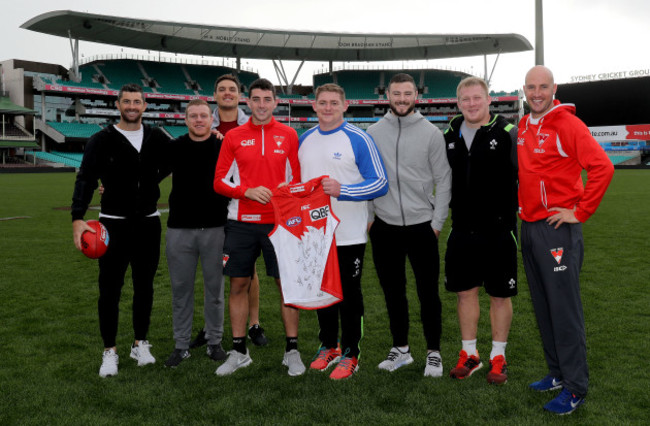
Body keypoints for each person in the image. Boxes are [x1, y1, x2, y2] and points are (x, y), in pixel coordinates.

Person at [519, 65, 614, 415]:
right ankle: (557, 374)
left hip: (558, 228)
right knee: (544, 308)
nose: (537, 93)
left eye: (543, 86)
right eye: (531, 87)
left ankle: (575, 388)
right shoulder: (526, 125)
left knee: (564, 311)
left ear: (553, 87)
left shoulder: (568, 124)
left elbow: (603, 167)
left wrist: (581, 211)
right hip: (529, 227)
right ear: (525, 90)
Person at [71, 83, 168, 377]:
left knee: (145, 287)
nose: (132, 106)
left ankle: (140, 343)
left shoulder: (156, 136)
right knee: (110, 290)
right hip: (113, 223)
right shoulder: (101, 139)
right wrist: (77, 217)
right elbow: (86, 178)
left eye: (137, 101)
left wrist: (150, 181)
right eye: (126, 101)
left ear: (145, 105)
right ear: (118, 105)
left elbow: (176, 158)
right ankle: (109, 351)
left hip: (148, 223)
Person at [213, 78, 303, 376]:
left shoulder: (289, 134)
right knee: (238, 285)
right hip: (240, 223)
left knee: (286, 287)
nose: (262, 104)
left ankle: (292, 350)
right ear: (247, 102)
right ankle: (239, 351)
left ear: (275, 102)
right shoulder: (234, 137)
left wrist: (286, 191)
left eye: (267, 99)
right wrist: (246, 192)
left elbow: (297, 180)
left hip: (279, 225)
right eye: (256, 99)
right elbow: (219, 181)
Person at [300, 83, 388, 380]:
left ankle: (351, 353)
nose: (327, 107)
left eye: (333, 103)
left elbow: (380, 182)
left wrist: (344, 190)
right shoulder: (305, 140)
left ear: (344, 105)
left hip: (349, 233)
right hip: (314, 232)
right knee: (322, 292)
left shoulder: (358, 139)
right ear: (314, 106)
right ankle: (329, 346)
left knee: (349, 294)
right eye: (322, 102)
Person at [367, 73, 451, 377]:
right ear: (386, 95)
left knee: (428, 293)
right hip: (385, 226)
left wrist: (437, 222)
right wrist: (369, 219)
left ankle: (433, 352)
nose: (401, 99)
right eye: (396, 93)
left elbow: (443, 179)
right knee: (393, 292)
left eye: (407, 93)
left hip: (422, 226)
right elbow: (367, 177)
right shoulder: (374, 132)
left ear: (416, 95)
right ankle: (401, 349)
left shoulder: (431, 133)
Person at [443, 77, 518, 384]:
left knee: (499, 295)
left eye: (477, 98)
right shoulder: (449, 134)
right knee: (465, 293)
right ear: (458, 102)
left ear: (489, 100)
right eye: (465, 99)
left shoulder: (508, 133)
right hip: (462, 229)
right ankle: (469, 355)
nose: (471, 103)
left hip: (499, 231)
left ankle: (498, 357)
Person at [189, 74, 268, 349]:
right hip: (210, 203)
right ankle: (211, 326)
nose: (227, 93)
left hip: (245, 203)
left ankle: (254, 323)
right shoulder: (202, 123)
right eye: (221, 89)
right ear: (215, 94)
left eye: (232, 90)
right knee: (213, 266)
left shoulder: (251, 124)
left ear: (239, 95)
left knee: (249, 268)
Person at [162, 99, 229, 367]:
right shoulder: (175, 147)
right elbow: (148, 174)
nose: (199, 120)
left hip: (216, 228)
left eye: (203, 116)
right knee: (181, 290)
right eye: (193, 116)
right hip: (180, 229)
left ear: (211, 120)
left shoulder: (222, 145)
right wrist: (112, 187)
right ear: (185, 119)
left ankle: (214, 342)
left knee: (215, 290)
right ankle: (181, 345)